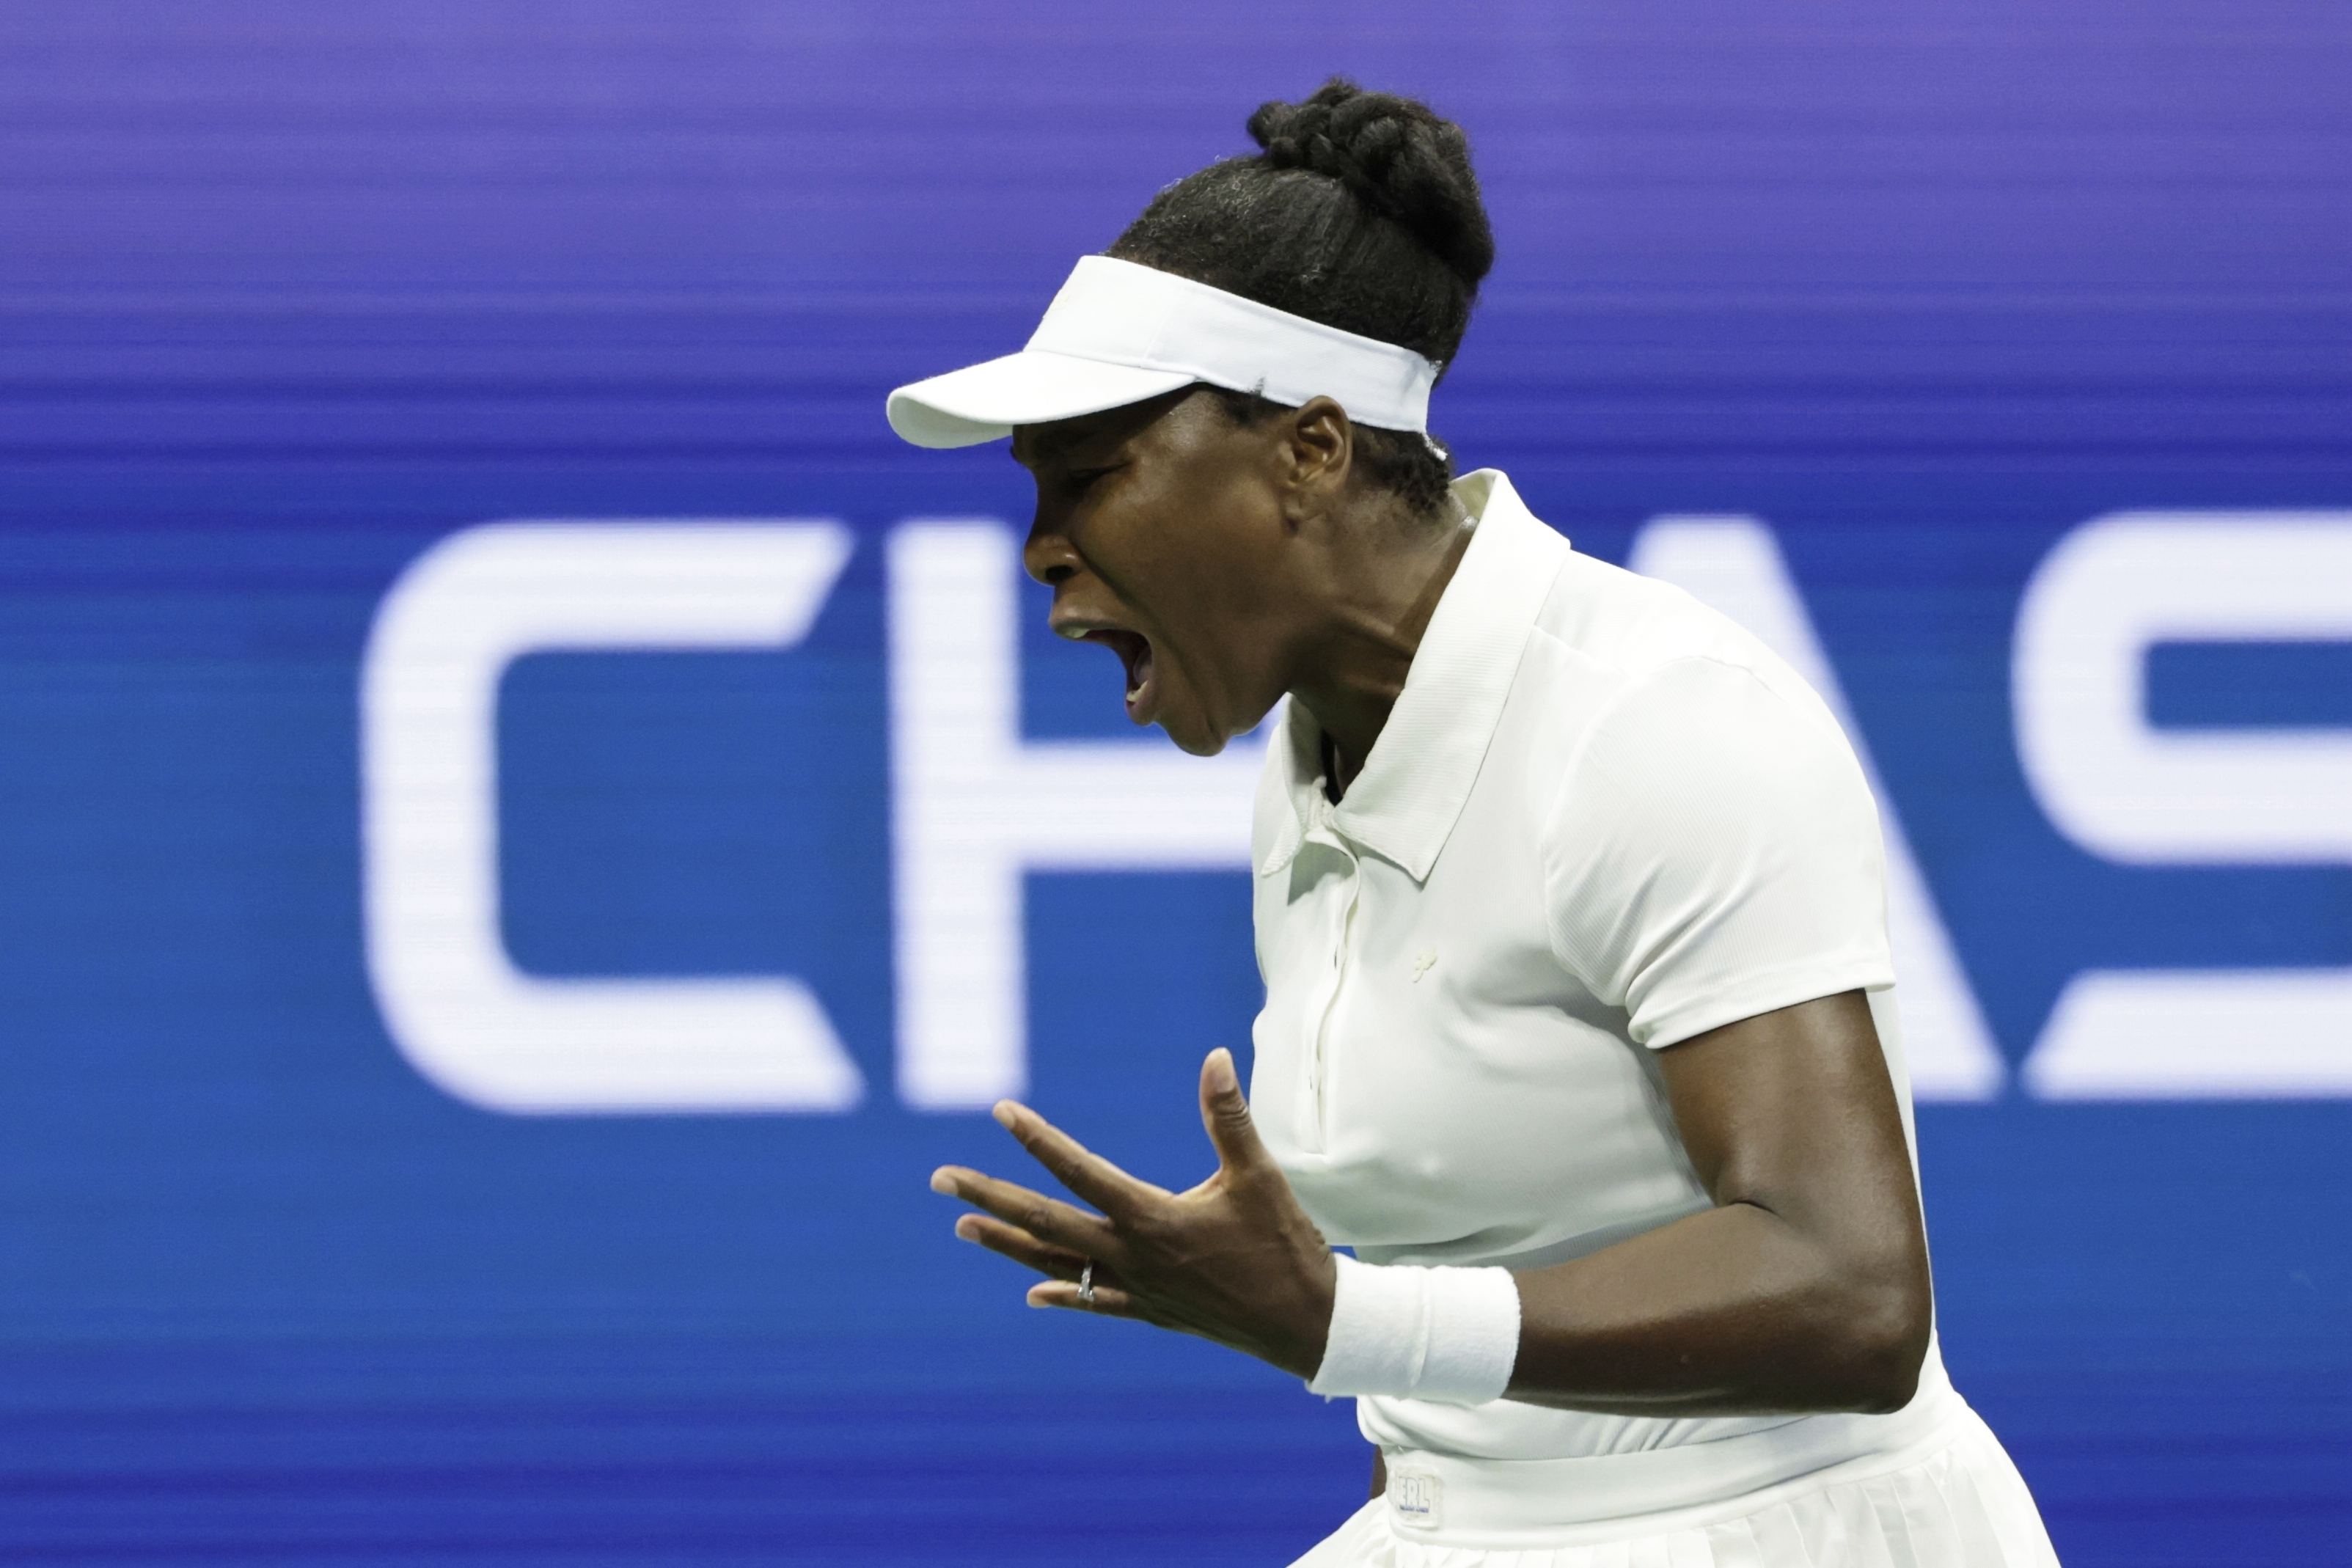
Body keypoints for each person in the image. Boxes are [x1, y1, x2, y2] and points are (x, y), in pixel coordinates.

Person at [893, 79, 2060, 1567]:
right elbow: (1459, 1289)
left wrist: (1343, 1319)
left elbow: (1852, 1292)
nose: (1040, 547)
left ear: (1310, 451)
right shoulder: (1318, 764)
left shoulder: (1658, 725)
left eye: (1090, 473)